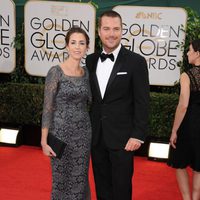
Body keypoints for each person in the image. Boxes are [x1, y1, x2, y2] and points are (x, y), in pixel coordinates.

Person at [86, 10, 150, 200]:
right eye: (106, 28)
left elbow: (142, 101)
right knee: (102, 187)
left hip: (123, 140)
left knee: (121, 190)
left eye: (116, 29)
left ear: (122, 31)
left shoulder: (136, 62)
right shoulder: (91, 60)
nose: (111, 33)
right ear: (99, 31)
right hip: (97, 137)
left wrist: (138, 135)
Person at [41, 26, 92, 200]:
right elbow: (48, 108)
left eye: (82, 43)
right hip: (60, 136)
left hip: (83, 136)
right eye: (73, 42)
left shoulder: (87, 74)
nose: (77, 47)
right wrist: (43, 140)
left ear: (87, 47)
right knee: (60, 181)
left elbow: (92, 102)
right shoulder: (56, 72)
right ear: (67, 46)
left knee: (80, 180)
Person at [167, 39, 200, 200]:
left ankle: (187, 199)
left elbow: (183, 105)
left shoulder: (187, 76)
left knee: (179, 163)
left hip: (190, 125)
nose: (187, 53)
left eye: (189, 50)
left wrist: (174, 130)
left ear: (197, 54)